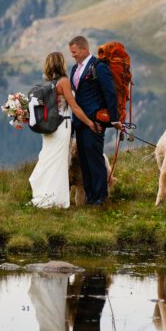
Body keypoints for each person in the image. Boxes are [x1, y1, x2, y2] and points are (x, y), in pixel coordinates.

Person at [29, 51, 99, 208]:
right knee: (59, 163)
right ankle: (57, 200)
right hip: (62, 127)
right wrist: (89, 123)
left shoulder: (48, 83)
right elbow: (74, 106)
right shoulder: (64, 82)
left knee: (48, 158)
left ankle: (43, 196)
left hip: (48, 129)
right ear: (61, 64)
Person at [68, 36, 120, 206]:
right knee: (84, 161)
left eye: (74, 52)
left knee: (95, 160)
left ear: (84, 49)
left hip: (95, 122)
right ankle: (90, 197)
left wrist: (112, 120)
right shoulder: (75, 69)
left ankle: (100, 198)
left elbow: (110, 93)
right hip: (79, 122)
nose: (73, 56)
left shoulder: (99, 67)